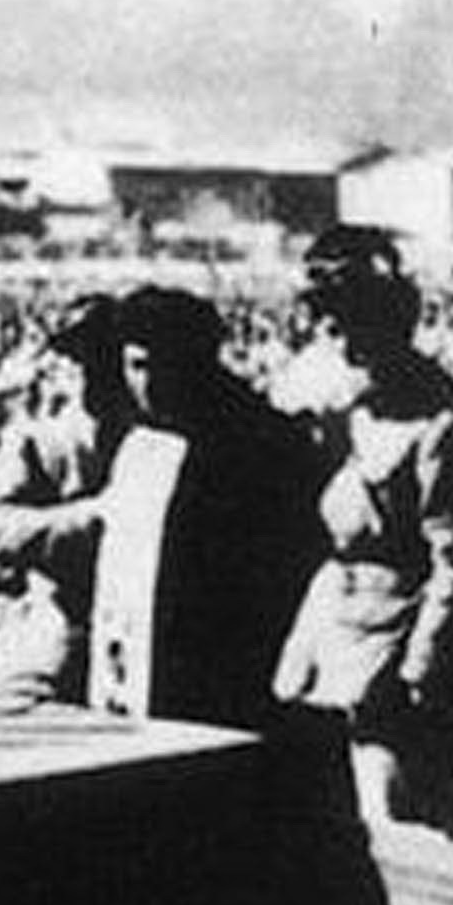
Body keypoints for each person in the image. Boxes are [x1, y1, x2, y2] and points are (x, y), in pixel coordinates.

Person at [272, 226, 453, 829]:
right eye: (327, 324)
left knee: (385, 817)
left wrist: (419, 674)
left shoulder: (438, 425)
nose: (335, 340)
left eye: (348, 323)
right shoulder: (338, 406)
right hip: (327, 634)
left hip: (391, 652)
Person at [98, 286, 329, 730]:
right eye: (137, 367)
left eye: (165, 366)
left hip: (227, 666)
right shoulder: (141, 442)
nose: (150, 384)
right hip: (143, 656)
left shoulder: (262, 442)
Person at [0, 295, 138, 700]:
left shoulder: (153, 442)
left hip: (137, 623)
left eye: (102, 357)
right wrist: (95, 517)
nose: (89, 371)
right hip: (59, 620)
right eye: (76, 358)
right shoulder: (35, 442)